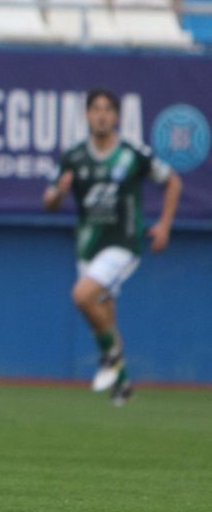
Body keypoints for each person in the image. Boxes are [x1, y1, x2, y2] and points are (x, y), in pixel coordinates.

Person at [41, 88, 180, 406]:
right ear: (87, 115)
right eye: (95, 109)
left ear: (117, 116)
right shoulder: (74, 156)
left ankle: (111, 356)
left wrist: (165, 225)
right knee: (103, 313)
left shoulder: (132, 154)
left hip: (123, 243)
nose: (101, 115)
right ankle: (123, 383)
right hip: (88, 246)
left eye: (107, 109)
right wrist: (58, 193)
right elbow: (47, 200)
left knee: (82, 295)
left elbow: (173, 180)